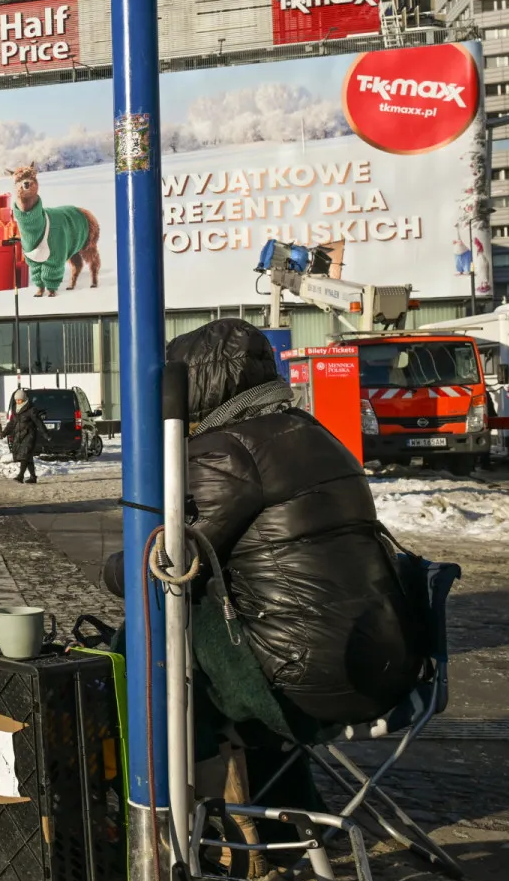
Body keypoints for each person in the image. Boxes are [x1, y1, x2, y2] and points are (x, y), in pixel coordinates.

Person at [103, 319, 424, 815]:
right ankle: (282, 812)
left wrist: (112, 567)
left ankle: (179, 813)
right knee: (210, 624)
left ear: (196, 384)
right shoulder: (311, 432)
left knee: (141, 645)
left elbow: (161, 563)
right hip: (384, 665)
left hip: (307, 681)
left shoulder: (227, 451)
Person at [2, 389, 40, 482]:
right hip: (20, 435)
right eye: (16, 400)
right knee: (28, 456)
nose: (18, 401)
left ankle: (20, 476)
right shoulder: (15, 409)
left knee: (24, 455)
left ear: (23, 399)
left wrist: (46, 434)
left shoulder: (31, 409)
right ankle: (33, 477)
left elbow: (39, 422)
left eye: (19, 400)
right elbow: (12, 423)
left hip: (29, 435)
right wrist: (4, 432)